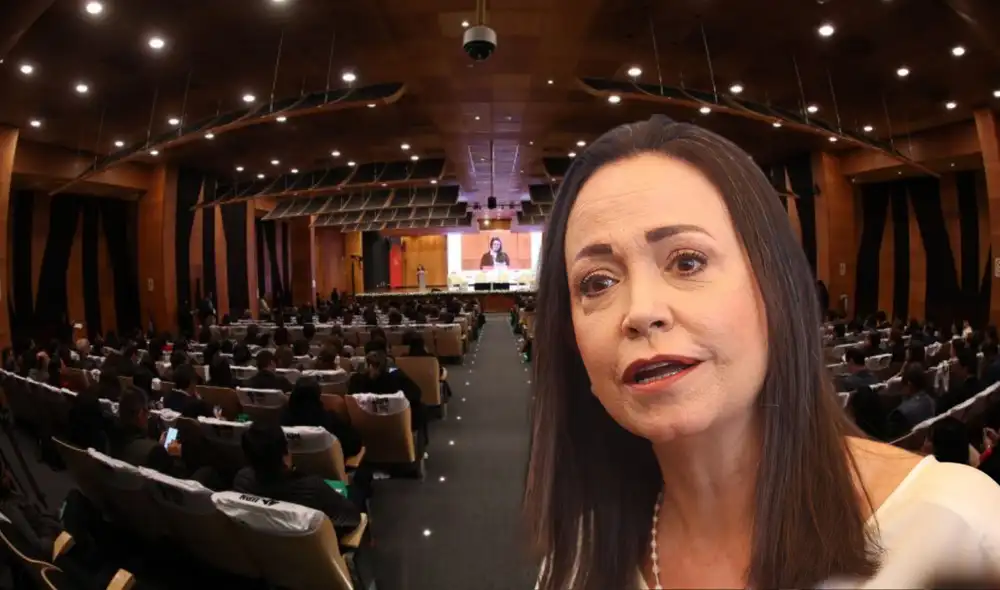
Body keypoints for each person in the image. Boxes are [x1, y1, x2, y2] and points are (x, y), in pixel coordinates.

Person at [523, 118, 1000, 590]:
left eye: (687, 261)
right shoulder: (575, 559)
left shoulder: (957, 527)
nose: (641, 312)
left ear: (775, 288)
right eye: (598, 283)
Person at [233, 421, 362, 538]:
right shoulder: (313, 490)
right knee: (356, 491)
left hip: (270, 552)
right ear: (284, 456)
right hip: (313, 551)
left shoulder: (241, 481)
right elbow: (353, 518)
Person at [348, 340, 426, 442]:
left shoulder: (356, 379)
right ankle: (419, 446)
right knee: (420, 407)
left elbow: (350, 401)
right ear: (385, 356)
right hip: (396, 425)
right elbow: (416, 393)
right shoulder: (396, 376)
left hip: (364, 428)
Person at [283, 377, 362, 457]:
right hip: (325, 468)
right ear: (318, 396)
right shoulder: (329, 420)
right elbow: (355, 444)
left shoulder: (282, 420)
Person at [937, 349, 981, 415]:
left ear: (965, 369)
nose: (954, 369)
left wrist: (942, 388)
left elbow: (939, 408)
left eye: (957, 366)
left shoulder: (956, 393)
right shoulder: (983, 385)